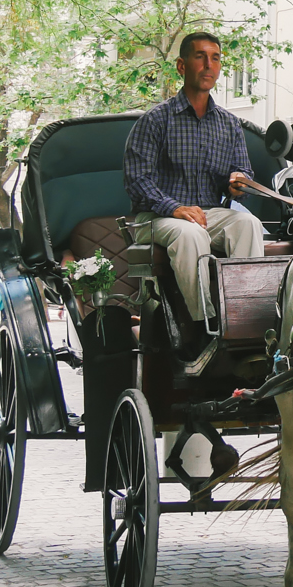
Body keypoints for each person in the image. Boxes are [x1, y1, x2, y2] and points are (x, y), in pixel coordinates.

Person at [122, 32, 264, 349]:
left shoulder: (229, 124)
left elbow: (244, 172)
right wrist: (174, 207)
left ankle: (245, 320)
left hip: (207, 213)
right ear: (182, 66)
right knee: (189, 233)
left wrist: (238, 182)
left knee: (248, 224)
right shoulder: (155, 121)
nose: (208, 65)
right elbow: (137, 180)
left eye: (215, 58)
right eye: (200, 57)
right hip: (155, 219)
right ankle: (206, 327)